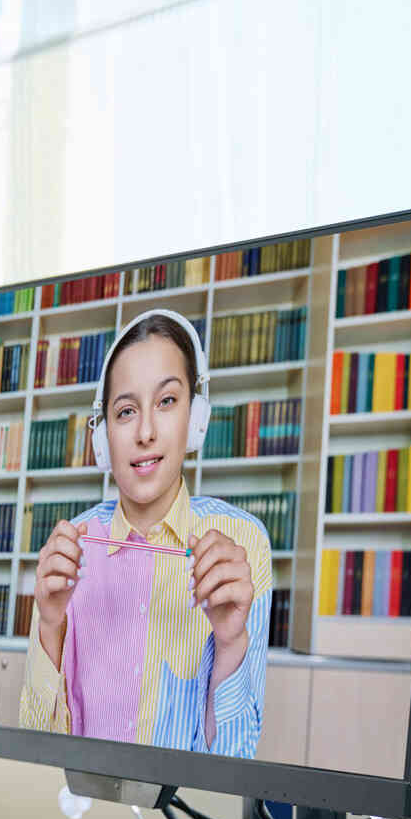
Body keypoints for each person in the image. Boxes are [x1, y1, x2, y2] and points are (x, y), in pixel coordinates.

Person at [18, 308, 272, 757]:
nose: (146, 432)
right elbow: (36, 753)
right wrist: (50, 625)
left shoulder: (243, 544)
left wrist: (231, 642)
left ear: (197, 418)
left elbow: (234, 764)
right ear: (104, 439)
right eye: (126, 411)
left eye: (167, 401)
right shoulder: (74, 543)